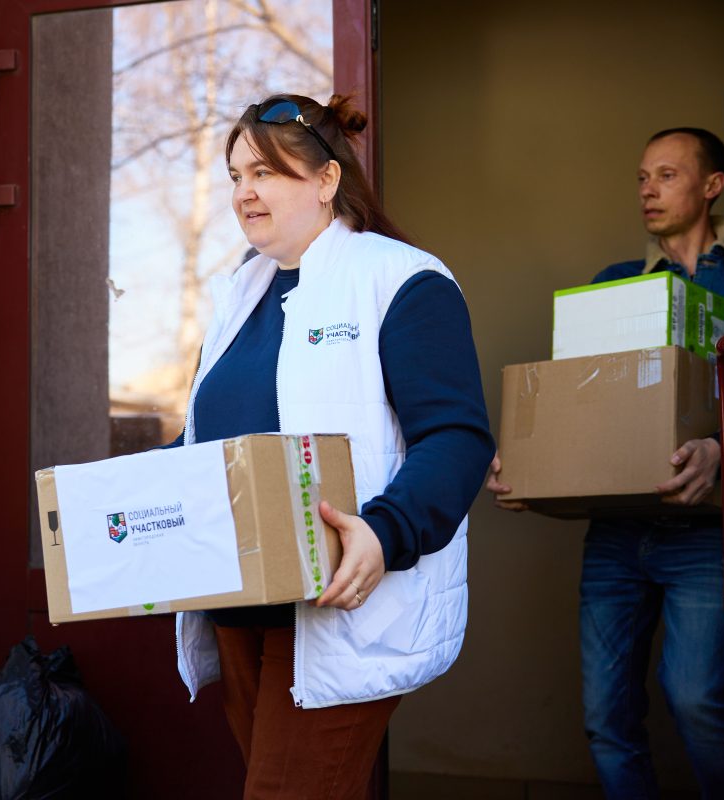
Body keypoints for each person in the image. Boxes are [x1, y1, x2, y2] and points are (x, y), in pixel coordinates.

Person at [170, 93, 495, 798]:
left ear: (325, 181)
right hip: (239, 607)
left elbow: (457, 437)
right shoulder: (240, 293)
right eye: (233, 175)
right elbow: (202, 442)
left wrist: (386, 531)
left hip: (338, 603)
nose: (244, 192)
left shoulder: (401, 280)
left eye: (266, 172)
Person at [487, 127, 724, 799]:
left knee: (699, 700)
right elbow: (579, 403)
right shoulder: (615, 283)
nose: (647, 188)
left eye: (667, 175)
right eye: (643, 176)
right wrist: (531, 463)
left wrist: (719, 450)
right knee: (605, 718)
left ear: (713, 186)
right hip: (618, 533)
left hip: (707, 530)